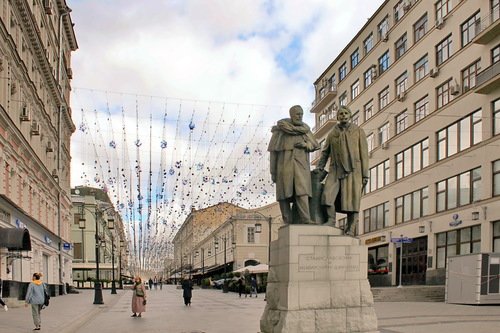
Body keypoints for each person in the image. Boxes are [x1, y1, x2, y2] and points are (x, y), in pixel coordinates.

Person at [316, 106, 369, 235]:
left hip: (354, 170)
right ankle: (331, 220)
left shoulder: (358, 131)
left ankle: (351, 228)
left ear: (350, 115)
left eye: (346, 113)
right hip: (335, 169)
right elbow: (325, 152)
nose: (343, 115)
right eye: (341, 114)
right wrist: (320, 167)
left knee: (352, 200)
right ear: (337, 117)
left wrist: (365, 174)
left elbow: (364, 154)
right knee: (327, 195)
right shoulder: (332, 133)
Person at [268, 105, 320, 224]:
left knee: (302, 192)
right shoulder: (280, 132)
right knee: (284, 195)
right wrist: (273, 172)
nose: (300, 116)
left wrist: (306, 145)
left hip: (301, 166)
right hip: (284, 167)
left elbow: (315, 145)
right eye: (297, 114)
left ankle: (306, 219)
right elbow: (273, 153)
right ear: (291, 115)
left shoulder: (305, 130)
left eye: (301, 114)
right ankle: (287, 220)